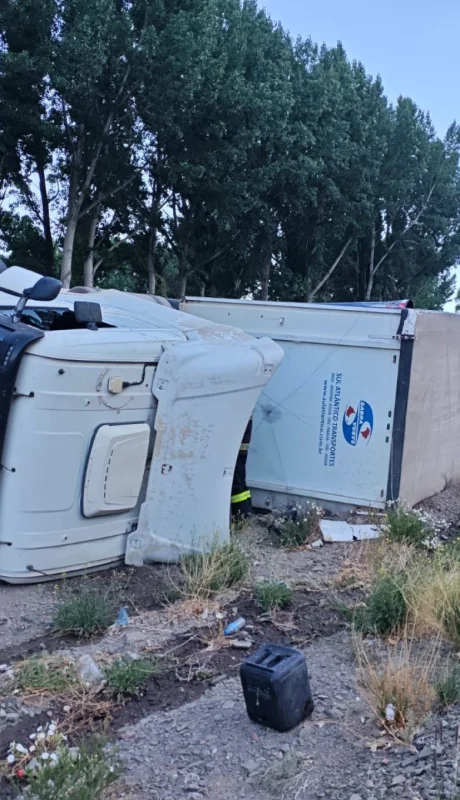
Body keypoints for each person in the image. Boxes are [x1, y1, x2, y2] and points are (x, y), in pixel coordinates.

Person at [231, 417, 253, 518]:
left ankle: (242, 517)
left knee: (237, 482)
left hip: (239, 427)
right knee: (239, 480)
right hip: (243, 427)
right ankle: (246, 515)